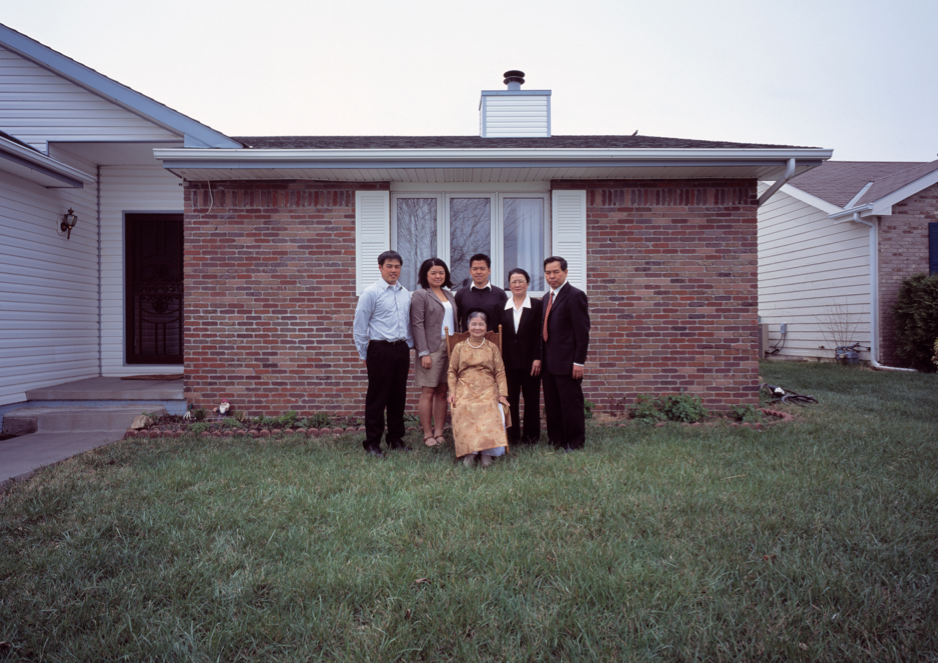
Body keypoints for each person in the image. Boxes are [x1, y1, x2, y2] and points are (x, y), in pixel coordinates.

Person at [352, 250, 414, 457]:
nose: (393, 270)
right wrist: (364, 353)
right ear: (380, 268)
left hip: (401, 350)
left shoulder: (405, 293)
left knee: (398, 396)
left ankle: (395, 438)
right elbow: (360, 325)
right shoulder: (371, 293)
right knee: (377, 397)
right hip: (380, 349)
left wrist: (409, 347)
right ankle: (372, 442)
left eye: (397, 266)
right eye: (389, 266)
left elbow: (407, 323)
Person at [447, 311, 510, 468]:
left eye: (481, 324)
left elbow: (500, 372)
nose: (477, 327)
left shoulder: (492, 347)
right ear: (468, 326)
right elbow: (452, 371)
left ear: (486, 326)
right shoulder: (459, 347)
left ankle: (487, 453)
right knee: (463, 406)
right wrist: (452, 392)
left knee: (490, 406)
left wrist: (502, 394)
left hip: (488, 385)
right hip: (465, 386)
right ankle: (470, 452)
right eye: (473, 324)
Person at [540, 256, 590, 451]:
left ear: (565, 273)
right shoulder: (546, 298)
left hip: (569, 363)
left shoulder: (575, 296)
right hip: (549, 363)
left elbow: (582, 332)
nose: (552, 276)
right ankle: (556, 439)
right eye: (548, 273)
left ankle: (575, 441)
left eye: (556, 272)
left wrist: (579, 361)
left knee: (570, 404)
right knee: (552, 404)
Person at [410, 258, 459, 447]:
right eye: (433, 273)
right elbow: (417, 323)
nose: (438, 276)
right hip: (431, 347)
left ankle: (439, 432)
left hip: (451, 346)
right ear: (425, 275)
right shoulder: (421, 294)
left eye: (441, 272)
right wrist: (423, 352)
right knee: (428, 391)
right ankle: (427, 434)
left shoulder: (449, 294)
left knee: (442, 391)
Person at [501, 268, 542, 445]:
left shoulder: (537, 305)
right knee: (510, 400)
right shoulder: (502, 306)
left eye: (521, 281)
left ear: (527, 283)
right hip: (508, 362)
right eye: (513, 281)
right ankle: (512, 436)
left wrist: (538, 357)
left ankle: (531, 437)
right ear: (509, 285)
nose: (517, 285)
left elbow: (540, 334)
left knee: (532, 399)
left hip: (531, 361)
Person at [453, 253, 507, 333]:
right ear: (470, 271)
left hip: (492, 343)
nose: (478, 272)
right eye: (475, 269)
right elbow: (456, 321)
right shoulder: (461, 294)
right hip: (467, 343)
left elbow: (505, 323)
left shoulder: (500, 294)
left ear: (489, 271)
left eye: (482, 269)